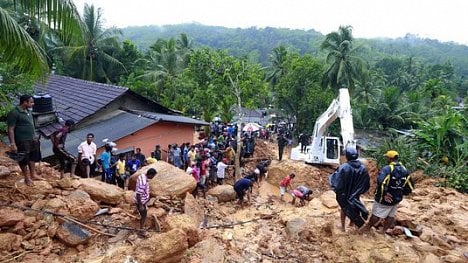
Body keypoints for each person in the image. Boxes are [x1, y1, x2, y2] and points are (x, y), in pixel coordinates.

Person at [360, 150, 414, 234]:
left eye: (387, 157)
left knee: (376, 214)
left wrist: (384, 194)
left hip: (385, 197)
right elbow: (410, 185)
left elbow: (381, 181)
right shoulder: (404, 170)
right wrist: (400, 193)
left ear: (390, 158)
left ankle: (367, 228)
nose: (386, 159)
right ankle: (383, 231)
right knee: (390, 215)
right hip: (396, 198)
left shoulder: (388, 169)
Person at [329, 147, 370, 231]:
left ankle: (343, 227)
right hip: (355, 193)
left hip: (345, 193)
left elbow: (337, 181)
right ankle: (352, 223)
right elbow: (366, 183)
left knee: (344, 208)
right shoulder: (363, 168)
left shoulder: (344, 167)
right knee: (354, 207)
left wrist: (337, 190)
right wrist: (359, 191)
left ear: (347, 156)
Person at [7, 95, 42, 185]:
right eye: (31, 102)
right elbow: (11, 129)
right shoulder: (14, 113)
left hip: (32, 139)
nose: (33, 104)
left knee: (32, 157)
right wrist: (13, 143)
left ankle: (33, 174)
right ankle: (27, 178)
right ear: (25, 102)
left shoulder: (28, 111)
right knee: (23, 159)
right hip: (22, 140)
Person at [135, 168, 157, 237]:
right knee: (144, 215)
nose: (153, 177)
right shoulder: (143, 183)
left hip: (142, 200)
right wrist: (140, 205)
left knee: (143, 212)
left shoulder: (142, 176)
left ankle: (138, 210)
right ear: (150, 175)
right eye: (153, 176)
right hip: (141, 201)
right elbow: (138, 194)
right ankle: (141, 230)